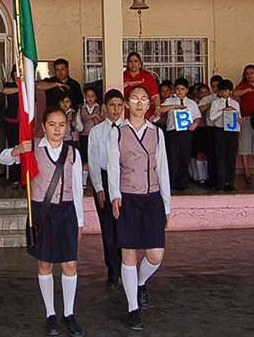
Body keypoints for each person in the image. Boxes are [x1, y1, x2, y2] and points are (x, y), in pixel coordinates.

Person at [0, 106, 85, 337]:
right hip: (42, 212)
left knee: (70, 265)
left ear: (67, 127)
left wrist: (80, 221)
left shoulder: (73, 152)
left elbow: (77, 189)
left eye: (61, 125)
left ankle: (69, 313)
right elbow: (3, 158)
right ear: (43, 126)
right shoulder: (33, 147)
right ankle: (50, 313)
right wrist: (18, 149)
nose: (57, 129)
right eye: (52, 124)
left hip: (66, 211)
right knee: (45, 264)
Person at [107, 85, 171, 331]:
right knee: (129, 253)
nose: (139, 103)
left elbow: (162, 169)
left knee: (156, 254)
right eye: (134, 99)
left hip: (152, 196)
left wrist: (166, 204)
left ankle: (140, 282)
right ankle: (133, 307)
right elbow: (113, 166)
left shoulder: (156, 132)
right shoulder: (118, 132)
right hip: (128, 197)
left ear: (148, 105)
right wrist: (114, 195)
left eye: (144, 99)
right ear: (127, 104)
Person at [88, 89, 124, 289]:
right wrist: (99, 186)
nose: (116, 109)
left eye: (119, 105)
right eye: (112, 105)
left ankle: (126, 267)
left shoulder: (128, 129)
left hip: (124, 180)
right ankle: (113, 269)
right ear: (105, 107)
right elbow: (93, 161)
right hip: (104, 178)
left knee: (124, 227)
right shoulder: (97, 131)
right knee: (108, 228)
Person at [159, 78, 201, 191]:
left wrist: (195, 124)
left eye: (182, 89)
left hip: (186, 133)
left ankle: (183, 182)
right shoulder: (170, 101)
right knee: (173, 158)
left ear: (187, 90)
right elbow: (160, 109)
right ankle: (172, 182)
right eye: (177, 89)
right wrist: (174, 106)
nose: (180, 91)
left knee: (185, 157)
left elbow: (197, 117)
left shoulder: (191, 103)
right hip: (173, 133)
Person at [233, 65, 254, 184]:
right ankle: (247, 172)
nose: (249, 76)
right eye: (247, 73)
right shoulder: (243, 86)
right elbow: (235, 93)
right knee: (245, 145)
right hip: (246, 117)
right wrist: (248, 90)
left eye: (251, 73)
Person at [209, 79, 242, 192]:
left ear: (231, 91)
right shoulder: (215, 103)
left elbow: (239, 118)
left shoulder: (235, 103)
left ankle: (230, 182)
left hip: (232, 132)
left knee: (231, 157)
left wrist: (239, 120)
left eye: (226, 91)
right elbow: (211, 118)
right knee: (220, 157)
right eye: (221, 91)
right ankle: (220, 182)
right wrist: (223, 110)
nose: (223, 93)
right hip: (220, 130)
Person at [198, 75, 223, 188]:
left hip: (222, 129)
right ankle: (211, 178)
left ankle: (222, 178)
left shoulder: (226, 98)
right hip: (210, 128)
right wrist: (211, 104)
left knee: (221, 154)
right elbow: (199, 110)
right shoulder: (208, 98)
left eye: (218, 86)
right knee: (211, 154)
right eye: (213, 86)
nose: (216, 89)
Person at [78, 87, 103, 190]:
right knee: (85, 160)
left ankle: (97, 182)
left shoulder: (100, 108)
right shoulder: (81, 110)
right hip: (85, 136)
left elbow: (104, 120)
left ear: (96, 97)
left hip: (98, 136)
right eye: (88, 96)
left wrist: (96, 115)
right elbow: (79, 126)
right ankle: (84, 183)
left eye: (92, 96)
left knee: (97, 158)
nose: (90, 98)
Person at [123, 52, 160, 119]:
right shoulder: (122, 76)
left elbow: (155, 96)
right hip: (126, 114)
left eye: (136, 61)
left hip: (145, 114)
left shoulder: (147, 76)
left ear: (140, 63)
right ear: (127, 64)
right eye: (130, 61)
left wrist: (157, 107)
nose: (133, 64)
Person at [3, 65, 21, 188]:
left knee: (25, 150)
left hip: (25, 123)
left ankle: (24, 178)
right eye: (16, 72)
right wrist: (21, 88)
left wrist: (34, 123)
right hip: (12, 122)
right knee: (13, 150)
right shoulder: (10, 85)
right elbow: (5, 91)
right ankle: (14, 179)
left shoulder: (29, 86)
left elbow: (34, 105)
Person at [190, 84, 211, 184]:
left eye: (206, 92)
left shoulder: (213, 100)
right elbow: (200, 110)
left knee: (207, 153)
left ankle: (206, 175)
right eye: (201, 92)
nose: (204, 94)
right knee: (199, 153)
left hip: (208, 129)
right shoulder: (195, 104)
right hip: (199, 129)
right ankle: (200, 176)